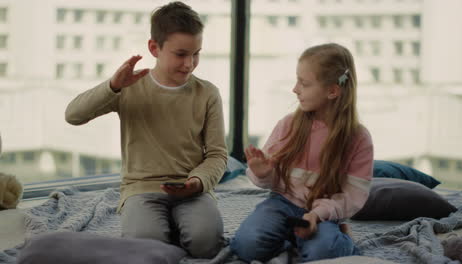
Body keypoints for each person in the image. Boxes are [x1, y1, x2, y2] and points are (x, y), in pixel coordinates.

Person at [65, 1, 227, 259]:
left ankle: (177, 224)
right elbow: (73, 116)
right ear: (154, 48)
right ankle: (164, 227)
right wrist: (113, 86)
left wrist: (197, 183)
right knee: (148, 250)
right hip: (141, 189)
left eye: (196, 53)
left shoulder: (207, 93)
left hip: (192, 190)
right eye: (181, 54)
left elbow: (218, 154)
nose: (189, 64)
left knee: (207, 244)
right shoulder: (128, 87)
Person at [230, 43, 374, 262]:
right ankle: (294, 237)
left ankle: (342, 238)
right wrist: (263, 173)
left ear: (333, 91)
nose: (295, 89)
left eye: (304, 83)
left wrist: (317, 215)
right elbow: (270, 183)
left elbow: (352, 197)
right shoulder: (288, 125)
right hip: (282, 204)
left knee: (323, 253)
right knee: (246, 245)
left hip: (324, 215)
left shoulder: (358, 138)